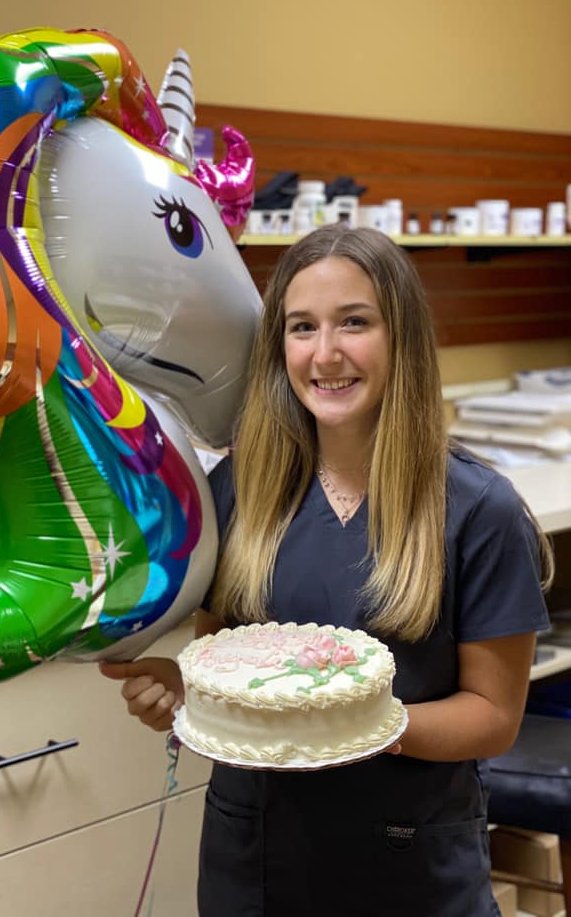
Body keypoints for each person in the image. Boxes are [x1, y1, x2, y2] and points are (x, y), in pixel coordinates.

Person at [100, 224, 553, 917]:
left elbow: (492, 717)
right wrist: (184, 689)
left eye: (355, 322)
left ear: (401, 337)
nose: (325, 353)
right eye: (302, 327)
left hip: (407, 862)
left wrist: (351, 725)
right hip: (253, 859)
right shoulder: (237, 493)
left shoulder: (477, 509)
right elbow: (225, 663)